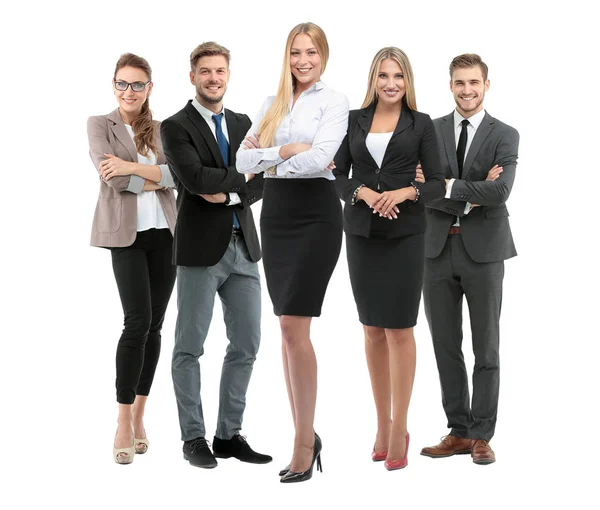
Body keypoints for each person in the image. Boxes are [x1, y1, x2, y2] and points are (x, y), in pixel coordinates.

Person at [236, 22, 349, 483]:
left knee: (293, 326)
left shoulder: (335, 101)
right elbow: (242, 163)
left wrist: (270, 158)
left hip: (317, 216)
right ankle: (305, 433)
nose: (303, 61)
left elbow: (321, 159)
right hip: (277, 216)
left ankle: (304, 441)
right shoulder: (269, 102)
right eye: (296, 53)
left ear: (323, 56)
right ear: (287, 56)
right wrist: (286, 149)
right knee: (285, 329)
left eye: (312, 53)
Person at [160, 42, 271, 470]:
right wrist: (241, 177)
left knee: (246, 343)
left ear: (229, 74)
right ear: (193, 77)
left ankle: (228, 434)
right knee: (189, 346)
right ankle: (194, 438)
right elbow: (192, 176)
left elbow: (261, 181)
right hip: (200, 252)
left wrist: (226, 190)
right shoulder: (176, 126)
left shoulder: (245, 122)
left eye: (220, 70)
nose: (213, 78)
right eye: (205, 71)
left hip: (245, 248)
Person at [333, 47, 444, 471]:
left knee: (399, 329)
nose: (391, 83)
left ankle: (400, 426)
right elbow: (338, 175)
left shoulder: (423, 124)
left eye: (398, 75)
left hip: (404, 235)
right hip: (361, 234)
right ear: (373, 79)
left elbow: (435, 183)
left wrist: (404, 192)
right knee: (371, 331)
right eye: (383, 75)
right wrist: (362, 192)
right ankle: (381, 424)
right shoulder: (353, 120)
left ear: (408, 80)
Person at [418, 53, 519, 465]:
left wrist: (446, 186)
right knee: (445, 346)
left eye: (473, 82)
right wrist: (469, 194)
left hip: (485, 253)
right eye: (459, 83)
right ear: (450, 85)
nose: (467, 90)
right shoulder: (429, 129)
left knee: (486, 347)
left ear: (486, 85)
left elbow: (501, 193)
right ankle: (458, 431)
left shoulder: (505, 134)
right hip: (435, 249)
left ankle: (481, 435)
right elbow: (419, 188)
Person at [87, 53, 177, 464]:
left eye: (137, 84)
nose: (129, 91)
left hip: (167, 234)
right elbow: (114, 177)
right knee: (136, 321)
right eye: (122, 83)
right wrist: (149, 174)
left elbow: (178, 177)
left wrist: (146, 171)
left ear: (149, 89)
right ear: (114, 85)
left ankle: (141, 414)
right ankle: (122, 419)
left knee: (155, 326)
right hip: (126, 237)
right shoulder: (99, 125)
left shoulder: (162, 129)